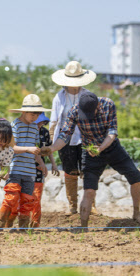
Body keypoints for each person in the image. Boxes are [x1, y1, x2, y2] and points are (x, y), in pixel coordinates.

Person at [46, 91, 140, 228]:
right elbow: (65, 135)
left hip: (112, 148)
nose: (87, 118)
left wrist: (100, 148)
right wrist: (52, 148)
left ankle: (136, 213)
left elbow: (112, 133)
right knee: (89, 190)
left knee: (136, 177)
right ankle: (83, 227)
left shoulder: (108, 105)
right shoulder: (74, 111)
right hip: (89, 152)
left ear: (97, 106)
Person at [0, 94, 51, 228]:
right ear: (24, 112)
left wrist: (41, 163)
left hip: (30, 170)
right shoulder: (15, 125)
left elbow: (35, 149)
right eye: (33, 114)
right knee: (11, 198)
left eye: (38, 114)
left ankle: (24, 228)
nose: (35, 117)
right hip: (15, 169)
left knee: (27, 200)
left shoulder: (34, 128)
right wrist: (28, 149)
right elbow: (11, 148)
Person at [49, 61, 96, 215]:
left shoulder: (88, 96)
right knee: (70, 171)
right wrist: (51, 142)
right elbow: (54, 120)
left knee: (88, 171)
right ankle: (73, 205)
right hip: (65, 140)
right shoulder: (59, 97)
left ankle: (91, 205)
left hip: (85, 138)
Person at [29, 113, 58, 227]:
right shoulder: (27, 132)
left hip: (40, 169)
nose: (40, 125)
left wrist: (53, 164)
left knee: (37, 195)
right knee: (25, 196)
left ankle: (35, 222)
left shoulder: (45, 133)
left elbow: (49, 150)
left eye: (42, 123)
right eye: (38, 123)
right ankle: (22, 220)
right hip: (26, 167)